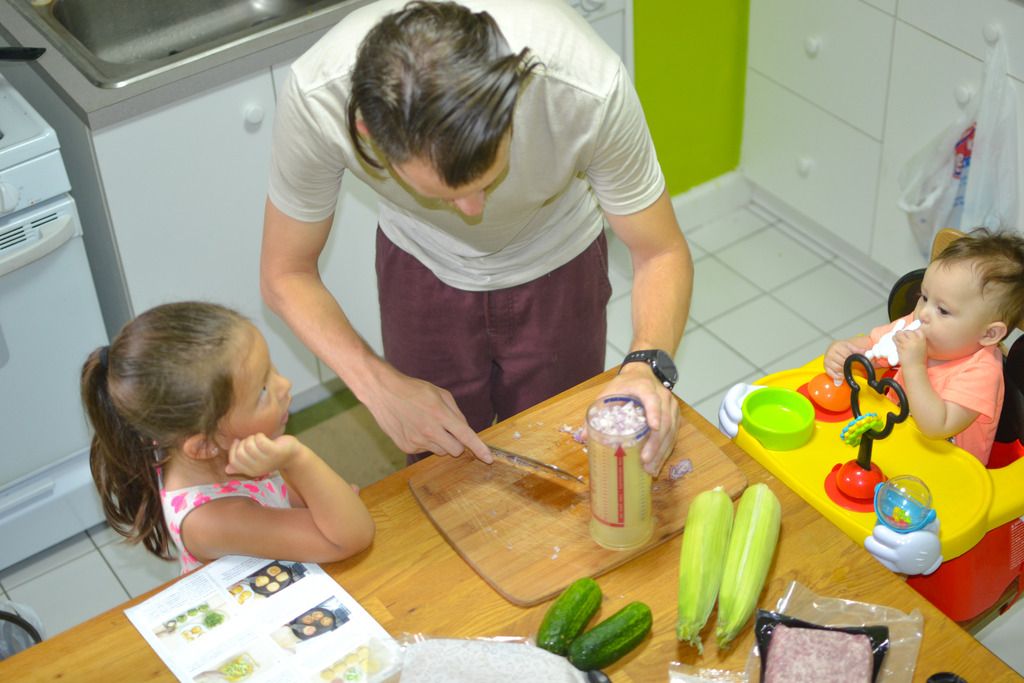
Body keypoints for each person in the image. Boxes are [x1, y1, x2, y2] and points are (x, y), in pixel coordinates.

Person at [261, 0, 692, 475]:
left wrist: (645, 367)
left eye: (487, 181)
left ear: (514, 107)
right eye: (444, 195)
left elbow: (661, 251)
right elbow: (285, 273)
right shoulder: (319, 94)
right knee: (436, 468)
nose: (473, 211)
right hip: (420, 267)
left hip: (559, 260)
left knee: (561, 455)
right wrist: (377, 384)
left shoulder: (584, 85)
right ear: (369, 134)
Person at [81, 302, 375, 574]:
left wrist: (324, 497)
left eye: (271, 370)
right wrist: (298, 459)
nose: (285, 385)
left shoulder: (215, 450)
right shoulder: (211, 520)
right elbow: (352, 537)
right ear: (204, 445)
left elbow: (314, 505)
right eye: (262, 390)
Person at [824, 228, 1024, 465]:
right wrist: (844, 351)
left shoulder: (981, 373)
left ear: (989, 333)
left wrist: (915, 366)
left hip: (946, 472)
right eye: (925, 297)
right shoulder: (921, 326)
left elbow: (936, 426)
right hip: (895, 443)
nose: (924, 313)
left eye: (943, 310)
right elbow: (870, 347)